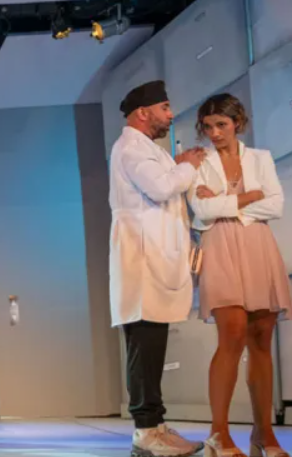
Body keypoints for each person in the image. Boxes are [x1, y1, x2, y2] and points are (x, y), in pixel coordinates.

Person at [188, 93, 291, 457]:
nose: (214, 133)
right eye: (208, 126)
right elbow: (202, 211)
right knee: (231, 333)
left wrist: (224, 203)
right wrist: (249, 197)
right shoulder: (199, 161)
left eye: (221, 125)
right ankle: (219, 434)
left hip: (257, 246)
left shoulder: (260, 158)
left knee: (261, 337)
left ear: (238, 123)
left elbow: (276, 204)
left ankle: (264, 434)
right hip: (219, 246)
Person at [108, 80, 207, 456]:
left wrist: (179, 168)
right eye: (164, 108)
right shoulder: (132, 148)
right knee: (144, 346)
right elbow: (163, 188)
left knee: (152, 346)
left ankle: (156, 425)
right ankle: (146, 433)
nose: (170, 114)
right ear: (142, 113)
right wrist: (188, 166)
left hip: (154, 256)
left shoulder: (148, 149)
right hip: (142, 258)